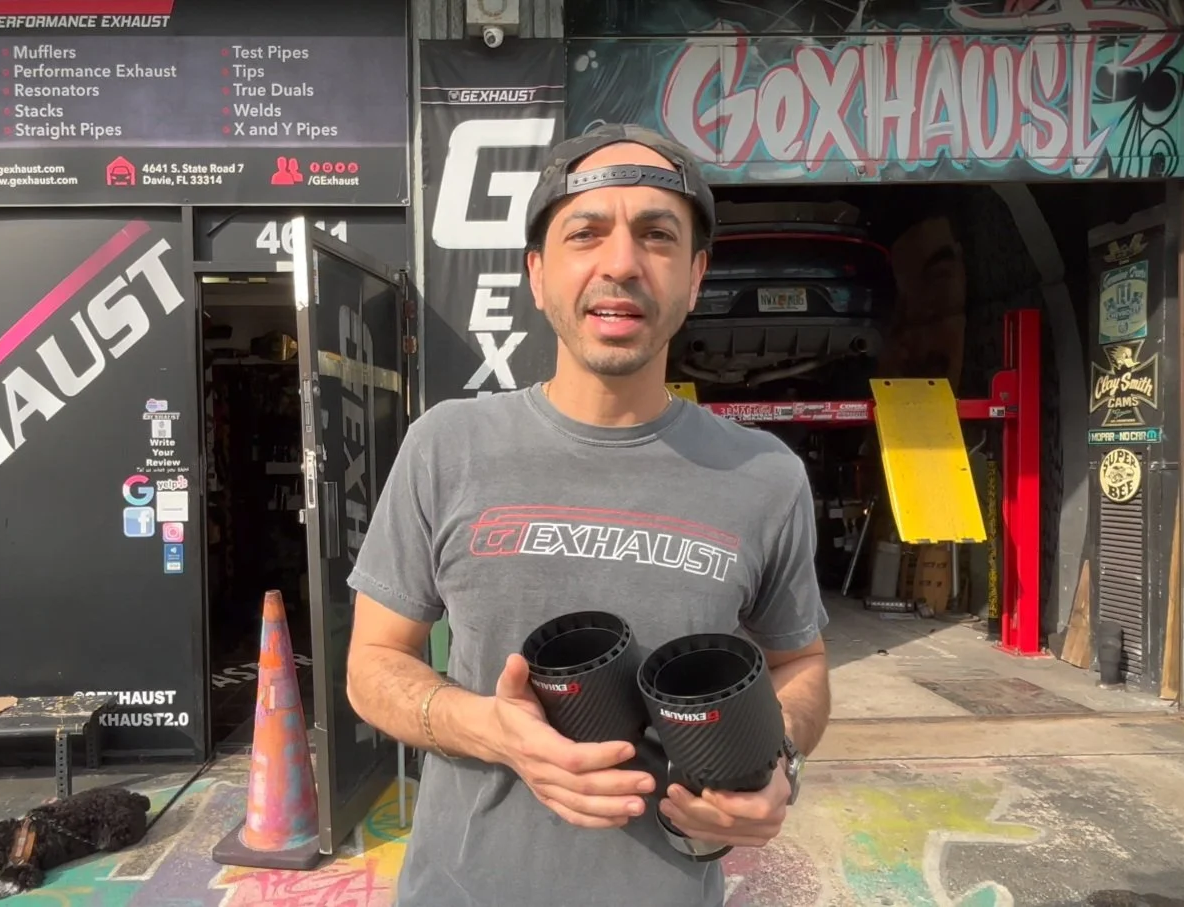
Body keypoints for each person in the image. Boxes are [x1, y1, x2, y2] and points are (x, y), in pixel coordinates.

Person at [345, 123, 831, 907]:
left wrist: (778, 759)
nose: (621, 263)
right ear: (538, 274)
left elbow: (800, 665)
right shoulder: (447, 445)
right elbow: (373, 664)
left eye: (657, 235)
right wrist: (491, 728)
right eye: (586, 232)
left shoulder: (765, 476)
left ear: (695, 276)